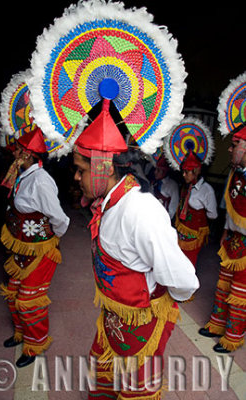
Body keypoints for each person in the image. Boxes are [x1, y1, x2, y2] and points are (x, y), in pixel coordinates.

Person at [73, 99, 199, 399]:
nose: (76, 178)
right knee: (102, 374)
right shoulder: (107, 203)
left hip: (142, 323)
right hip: (113, 316)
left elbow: (184, 280)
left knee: (135, 390)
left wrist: (160, 300)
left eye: (80, 170)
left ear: (103, 168)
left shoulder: (140, 210)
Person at [0, 126, 70, 368]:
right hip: (23, 248)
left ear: (28, 154)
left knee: (29, 300)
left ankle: (34, 344)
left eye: (18, 149)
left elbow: (59, 218)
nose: (14, 152)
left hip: (40, 251)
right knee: (13, 292)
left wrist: (52, 237)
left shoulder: (41, 181)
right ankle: (20, 334)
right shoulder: (23, 173)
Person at [199, 123, 246, 353]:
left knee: (240, 292)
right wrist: (226, 232)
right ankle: (217, 325)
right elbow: (231, 208)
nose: (230, 149)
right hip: (233, 241)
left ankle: (233, 336)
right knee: (223, 285)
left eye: (235, 144)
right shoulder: (235, 173)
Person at [175, 150, 218, 267]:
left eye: (186, 172)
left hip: (195, 233)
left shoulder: (207, 190)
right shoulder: (186, 186)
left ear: (196, 171)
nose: (184, 175)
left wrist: (198, 215)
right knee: (177, 259)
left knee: (188, 262)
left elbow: (213, 214)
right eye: (183, 172)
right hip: (181, 231)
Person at [151, 154, 179, 220]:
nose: (155, 172)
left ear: (164, 172)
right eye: (155, 169)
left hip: (164, 218)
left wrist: (167, 220)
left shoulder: (172, 185)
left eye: (158, 170)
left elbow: (174, 205)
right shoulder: (154, 182)